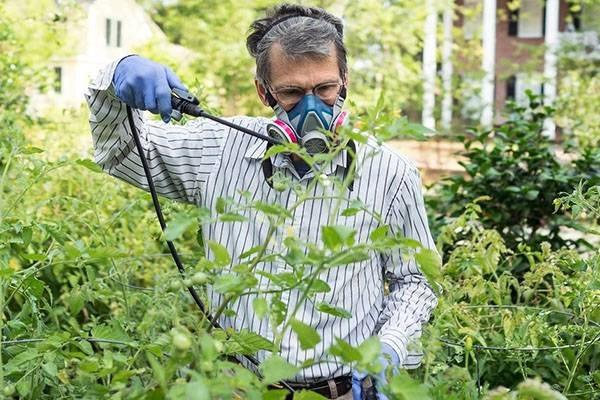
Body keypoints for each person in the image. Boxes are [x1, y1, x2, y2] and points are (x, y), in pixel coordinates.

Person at [85, 3, 437, 399]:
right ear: (263, 92)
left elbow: (415, 281)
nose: (312, 109)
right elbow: (123, 154)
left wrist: (390, 343)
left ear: (345, 81)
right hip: (239, 388)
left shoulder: (389, 172)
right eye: (291, 92)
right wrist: (116, 75)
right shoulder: (219, 148)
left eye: (324, 89)